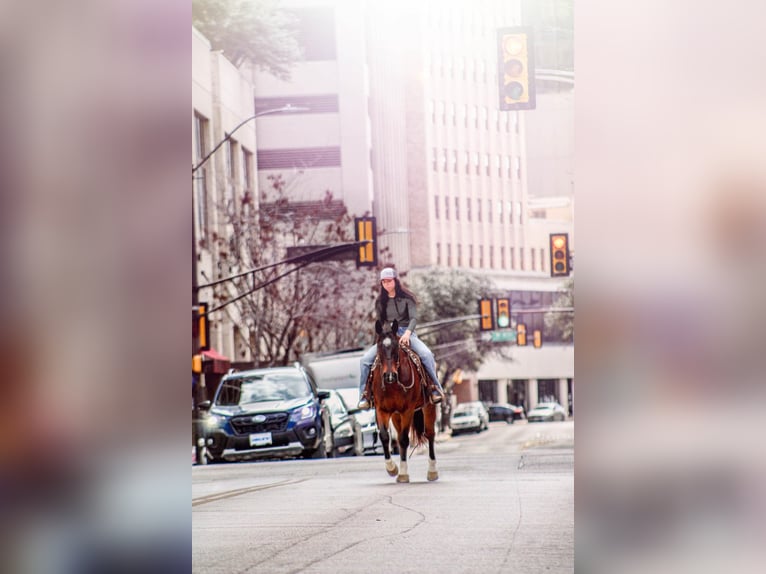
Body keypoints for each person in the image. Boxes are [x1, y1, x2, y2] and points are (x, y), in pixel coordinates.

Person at [357, 267, 444, 409]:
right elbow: (380, 322)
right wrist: (380, 339)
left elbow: (414, 319)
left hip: (406, 333)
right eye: (383, 282)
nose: (386, 284)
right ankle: (364, 395)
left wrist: (408, 333)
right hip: (388, 335)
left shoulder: (407, 298)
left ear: (395, 281)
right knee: (365, 360)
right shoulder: (380, 301)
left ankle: (435, 388)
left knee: (426, 354)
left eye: (389, 281)